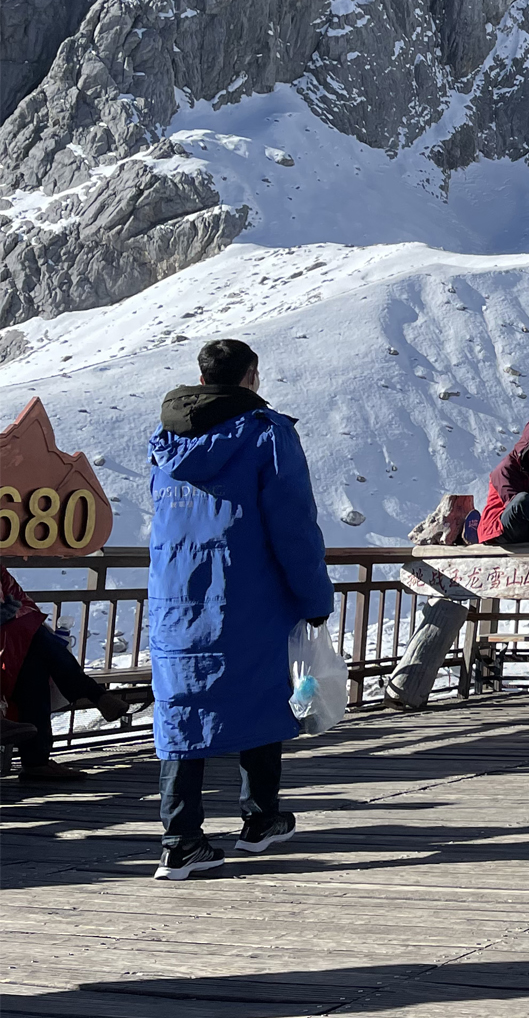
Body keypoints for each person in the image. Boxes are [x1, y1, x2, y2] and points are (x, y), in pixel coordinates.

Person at [147, 339, 336, 881]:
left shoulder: (165, 440)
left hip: (175, 598)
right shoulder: (266, 434)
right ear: (251, 376)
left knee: (181, 704)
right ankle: (258, 819)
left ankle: (180, 837)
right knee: (263, 692)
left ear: (202, 379)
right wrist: (314, 599)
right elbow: (293, 526)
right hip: (246, 592)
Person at [1, 571, 133, 781]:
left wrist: (12, 615)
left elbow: (24, 603)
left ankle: (37, 763)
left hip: (11, 649)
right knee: (35, 645)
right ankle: (95, 694)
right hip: (7, 650)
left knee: (34, 662)